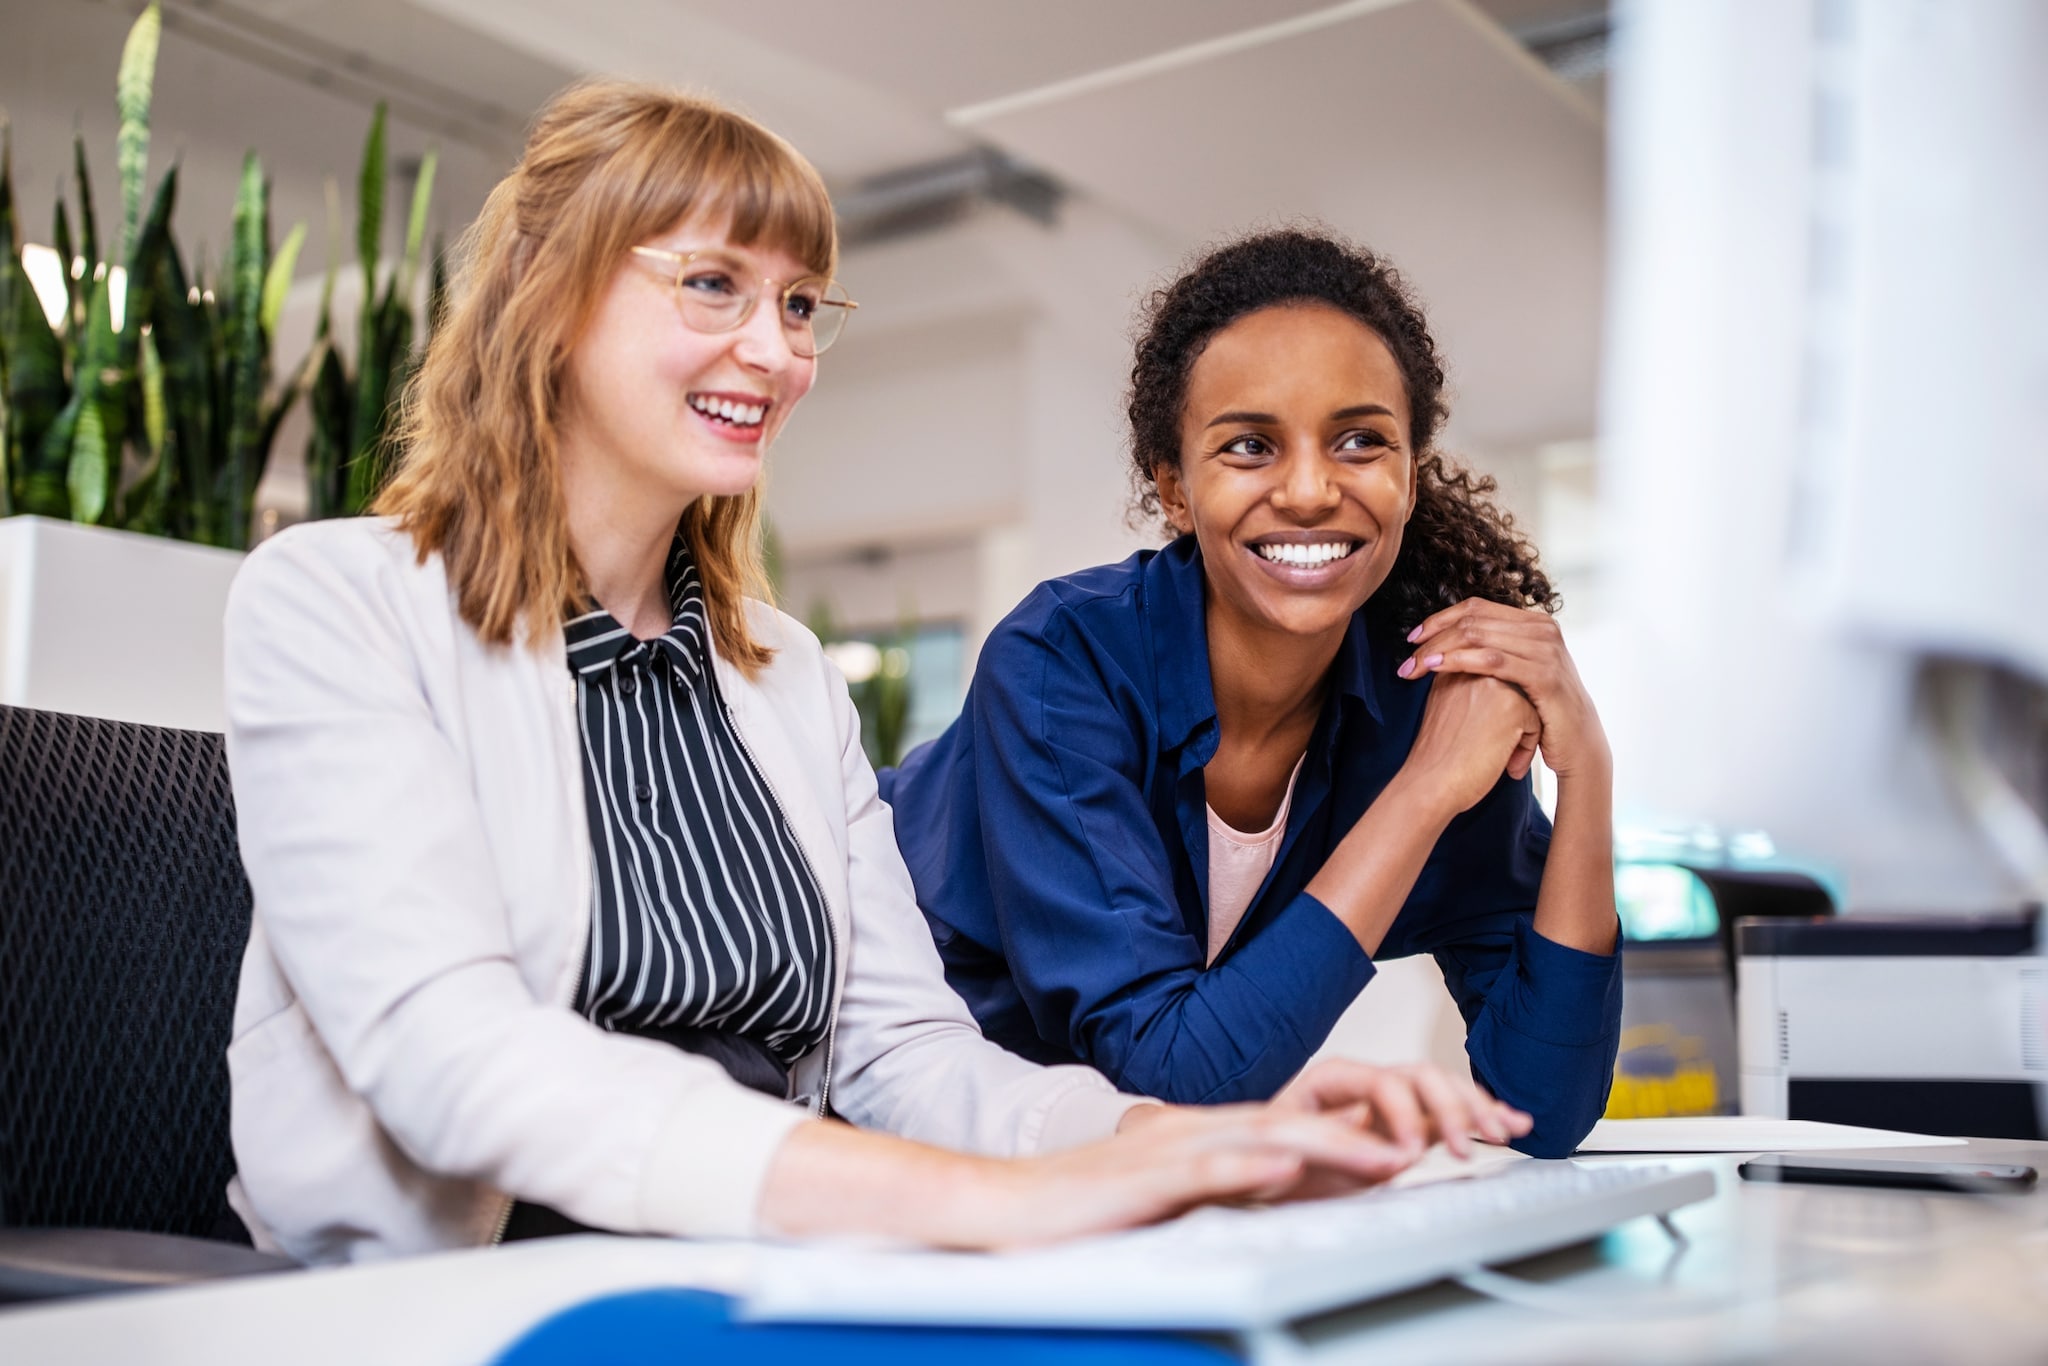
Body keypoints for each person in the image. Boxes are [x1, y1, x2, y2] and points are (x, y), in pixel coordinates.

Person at [219, 87, 1526, 1266]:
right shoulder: (338, 603)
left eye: (798, 305)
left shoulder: (779, 674)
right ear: (553, 298)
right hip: (442, 1299)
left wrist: (1185, 1140)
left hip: (747, 1260)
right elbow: (456, 1061)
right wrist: (955, 1200)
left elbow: (903, 1052)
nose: (779, 351)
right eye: (715, 285)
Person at [882, 230, 1621, 1157]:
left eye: (1360, 441)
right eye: (1249, 446)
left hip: (1091, 1162)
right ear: (1177, 492)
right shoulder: (1062, 660)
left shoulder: (1422, 700)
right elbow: (1173, 1073)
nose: (1310, 490)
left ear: (1408, 475)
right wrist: (1425, 792)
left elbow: (1543, 1106)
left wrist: (1585, 761)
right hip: (862, 1083)